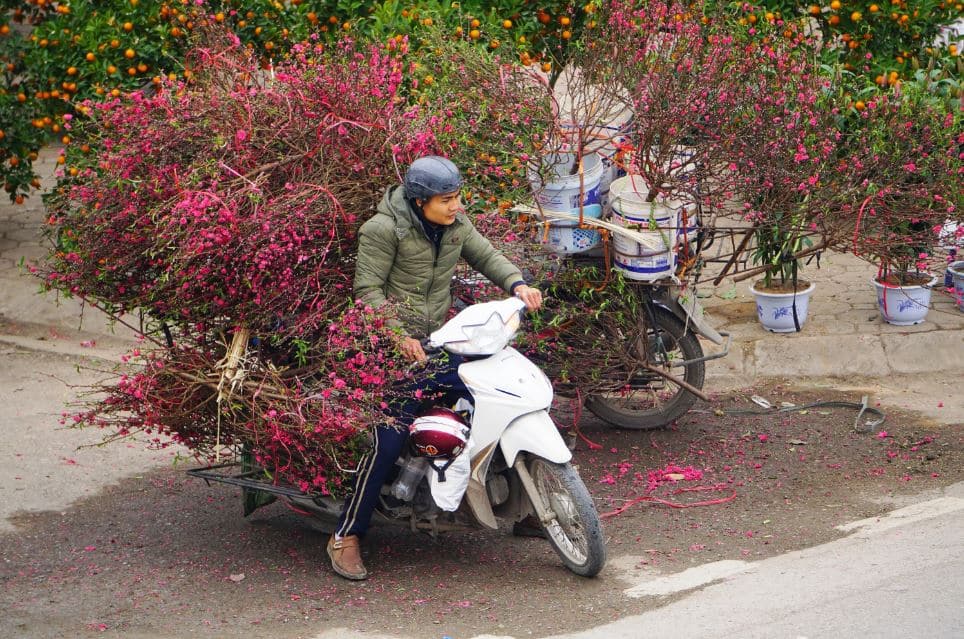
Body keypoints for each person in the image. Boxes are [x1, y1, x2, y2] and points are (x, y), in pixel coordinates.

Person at [327, 156, 543, 580]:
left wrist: (518, 283)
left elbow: (488, 256)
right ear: (420, 200)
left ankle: (530, 508)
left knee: (501, 403)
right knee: (387, 440)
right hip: (385, 351)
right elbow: (366, 290)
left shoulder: (456, 226)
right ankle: (346, 534)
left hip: (437, 343)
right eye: (447, 199)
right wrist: (396, 336)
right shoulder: (382, 230)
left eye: (458, 197)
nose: (457, 206)